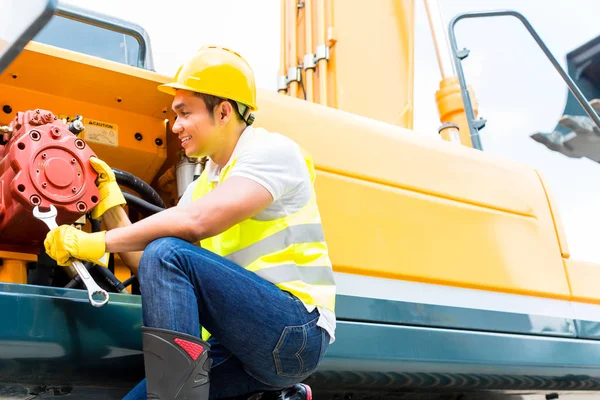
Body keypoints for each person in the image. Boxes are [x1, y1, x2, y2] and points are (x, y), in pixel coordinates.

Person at [43, 45, 337, 400]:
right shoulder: (204, 185)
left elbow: (196, 224)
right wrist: (110, 201)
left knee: (169, 253)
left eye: (184, 113)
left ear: (224, 111)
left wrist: (98, 242)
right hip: (242, 344)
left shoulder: (272, 153)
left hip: (294, 330)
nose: (176, 126)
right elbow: (146, 263)